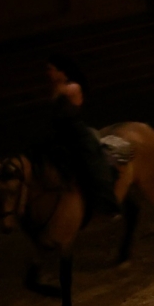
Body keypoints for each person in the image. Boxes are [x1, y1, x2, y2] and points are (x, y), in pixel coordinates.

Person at [39, 54, 124, 218]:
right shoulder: (55, 89)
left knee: (93, 162)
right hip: (60, 131)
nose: (47, 73)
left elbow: (68, 110)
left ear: (60, 72)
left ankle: (109, 204)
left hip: (75, 130)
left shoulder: (72, 88)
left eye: (50, 69)